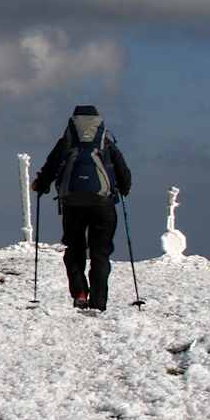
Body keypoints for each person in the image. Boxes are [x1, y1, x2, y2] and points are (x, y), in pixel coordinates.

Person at [31, 105, 132, 310]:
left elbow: (50, 167)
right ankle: (99, 302)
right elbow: (123, 172)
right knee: (100, 253)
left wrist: (41, 186)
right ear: (98, 122)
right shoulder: (106, 142)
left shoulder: (67, 142)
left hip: (72, 204)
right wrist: (123, 188)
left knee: (75, 249)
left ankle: (79, 292)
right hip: (103, 205)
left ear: (74, 121)